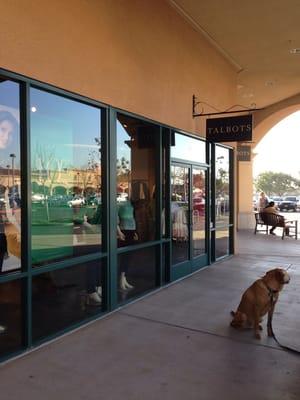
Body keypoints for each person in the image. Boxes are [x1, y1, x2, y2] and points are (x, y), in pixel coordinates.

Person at [117, 199, 138, 290]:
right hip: (123, 229)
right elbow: (114, 219)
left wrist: (135, 232)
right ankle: (121, 279)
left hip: (131, 230)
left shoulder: (130, 202)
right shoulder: (118, 203)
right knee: (124, 255)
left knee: (128, 255)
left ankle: (124, 278)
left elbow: (132, 217)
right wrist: (119, 232)